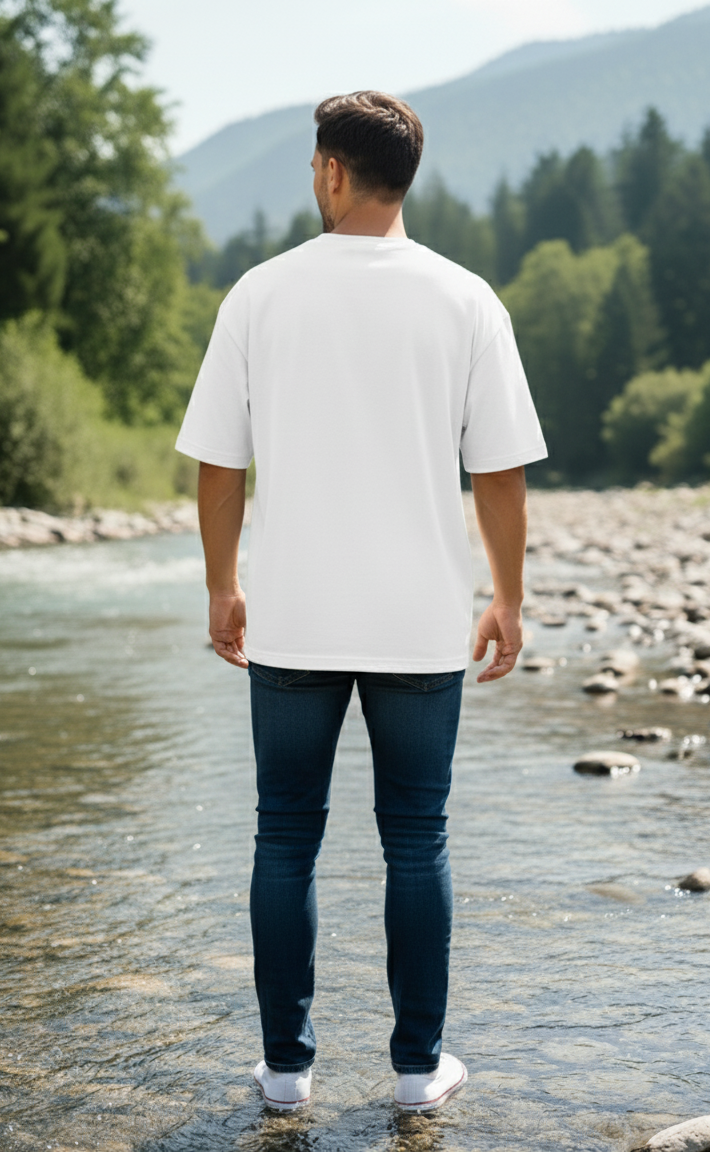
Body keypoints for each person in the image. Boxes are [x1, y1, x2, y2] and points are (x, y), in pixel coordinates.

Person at [175, 90, 548, 1115]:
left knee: (283, 836)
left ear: (333, 172)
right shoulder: (466, 298)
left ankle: (286, 1073)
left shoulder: (258, 294)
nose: (310, 178)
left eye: (310, 164)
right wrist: (506, 600)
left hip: (293, 615)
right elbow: (501, 474)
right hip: (419, 619)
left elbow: (218, 465)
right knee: (414, 839)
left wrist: (221, 587)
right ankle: (417, 1073)